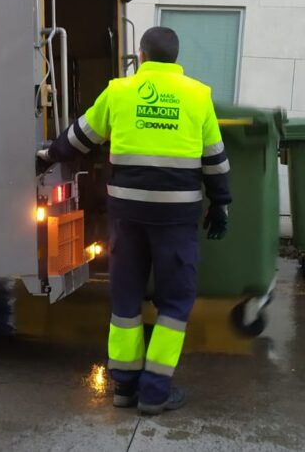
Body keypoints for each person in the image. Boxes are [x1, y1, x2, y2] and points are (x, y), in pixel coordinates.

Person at [37, 26, 231, 415]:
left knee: (125, 296)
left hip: (127, 213)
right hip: (176, 217)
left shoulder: (119, 92)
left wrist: (48, 155)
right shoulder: (197, 96)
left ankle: (124, 387)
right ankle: (155, 391)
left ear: (140, 56)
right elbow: (215, 159)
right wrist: (221, 203)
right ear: (175, 60)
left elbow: (80, 136)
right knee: (175, 300)